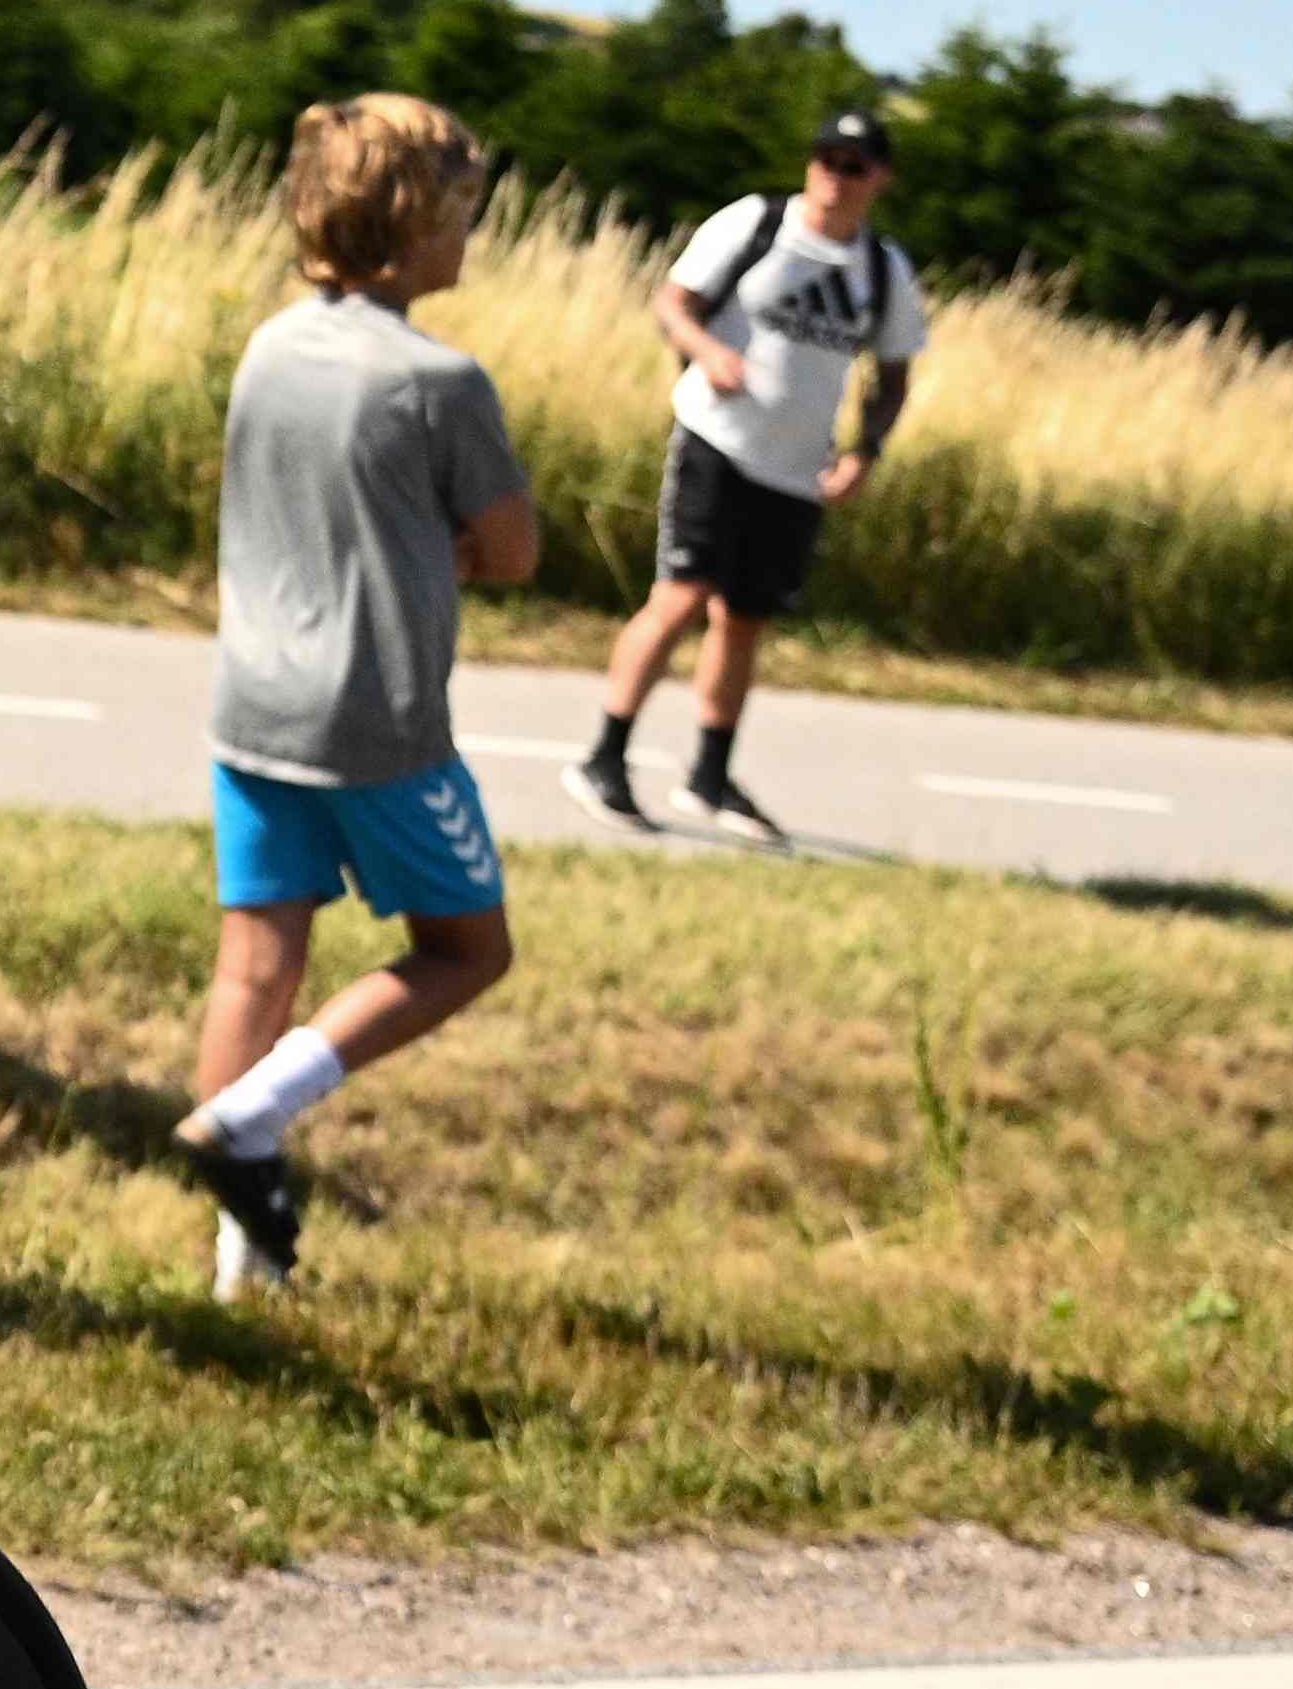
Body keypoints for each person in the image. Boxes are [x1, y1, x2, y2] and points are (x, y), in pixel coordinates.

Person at [174, 97, 538, 1296]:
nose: (472, 239)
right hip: (380, 725)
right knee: (466, 945)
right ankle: (257, 1115)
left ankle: (240, 1256)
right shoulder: (442, 381)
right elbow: (515, 547)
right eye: (464, 215)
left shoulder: (273, 344)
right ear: (413, 223)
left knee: (254, 965)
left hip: (252, 708)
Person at [578, 102, 928, 843]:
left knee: (741, 621)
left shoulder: (881, 270)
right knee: (679, 597)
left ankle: (708, 775)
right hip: (715, 438)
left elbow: (891, 378)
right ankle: (603, 757)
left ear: (880, 178)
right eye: (825, 159)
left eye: (853, 167)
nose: (834, 177)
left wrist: (863, 453)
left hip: (795, 469)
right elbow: (672, 305)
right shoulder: (756, 225)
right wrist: (707, 354)